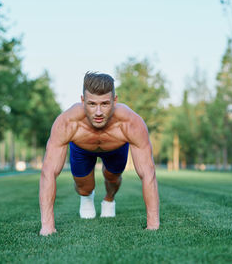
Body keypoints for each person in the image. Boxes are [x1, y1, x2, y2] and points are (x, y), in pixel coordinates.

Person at [39, 72, 160, 236]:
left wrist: (153, 224)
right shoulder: (67, 122)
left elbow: (148, 173)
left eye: (104, 104)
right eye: (91, 104)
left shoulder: (130, 123)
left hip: (115, 149)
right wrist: (47, 226)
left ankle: (109, 199)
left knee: (113, 178)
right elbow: (48, 172)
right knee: (84, 187)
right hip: (82, 149)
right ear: (82, 101)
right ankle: (87, 197)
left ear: (115, 100)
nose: (98, 112)